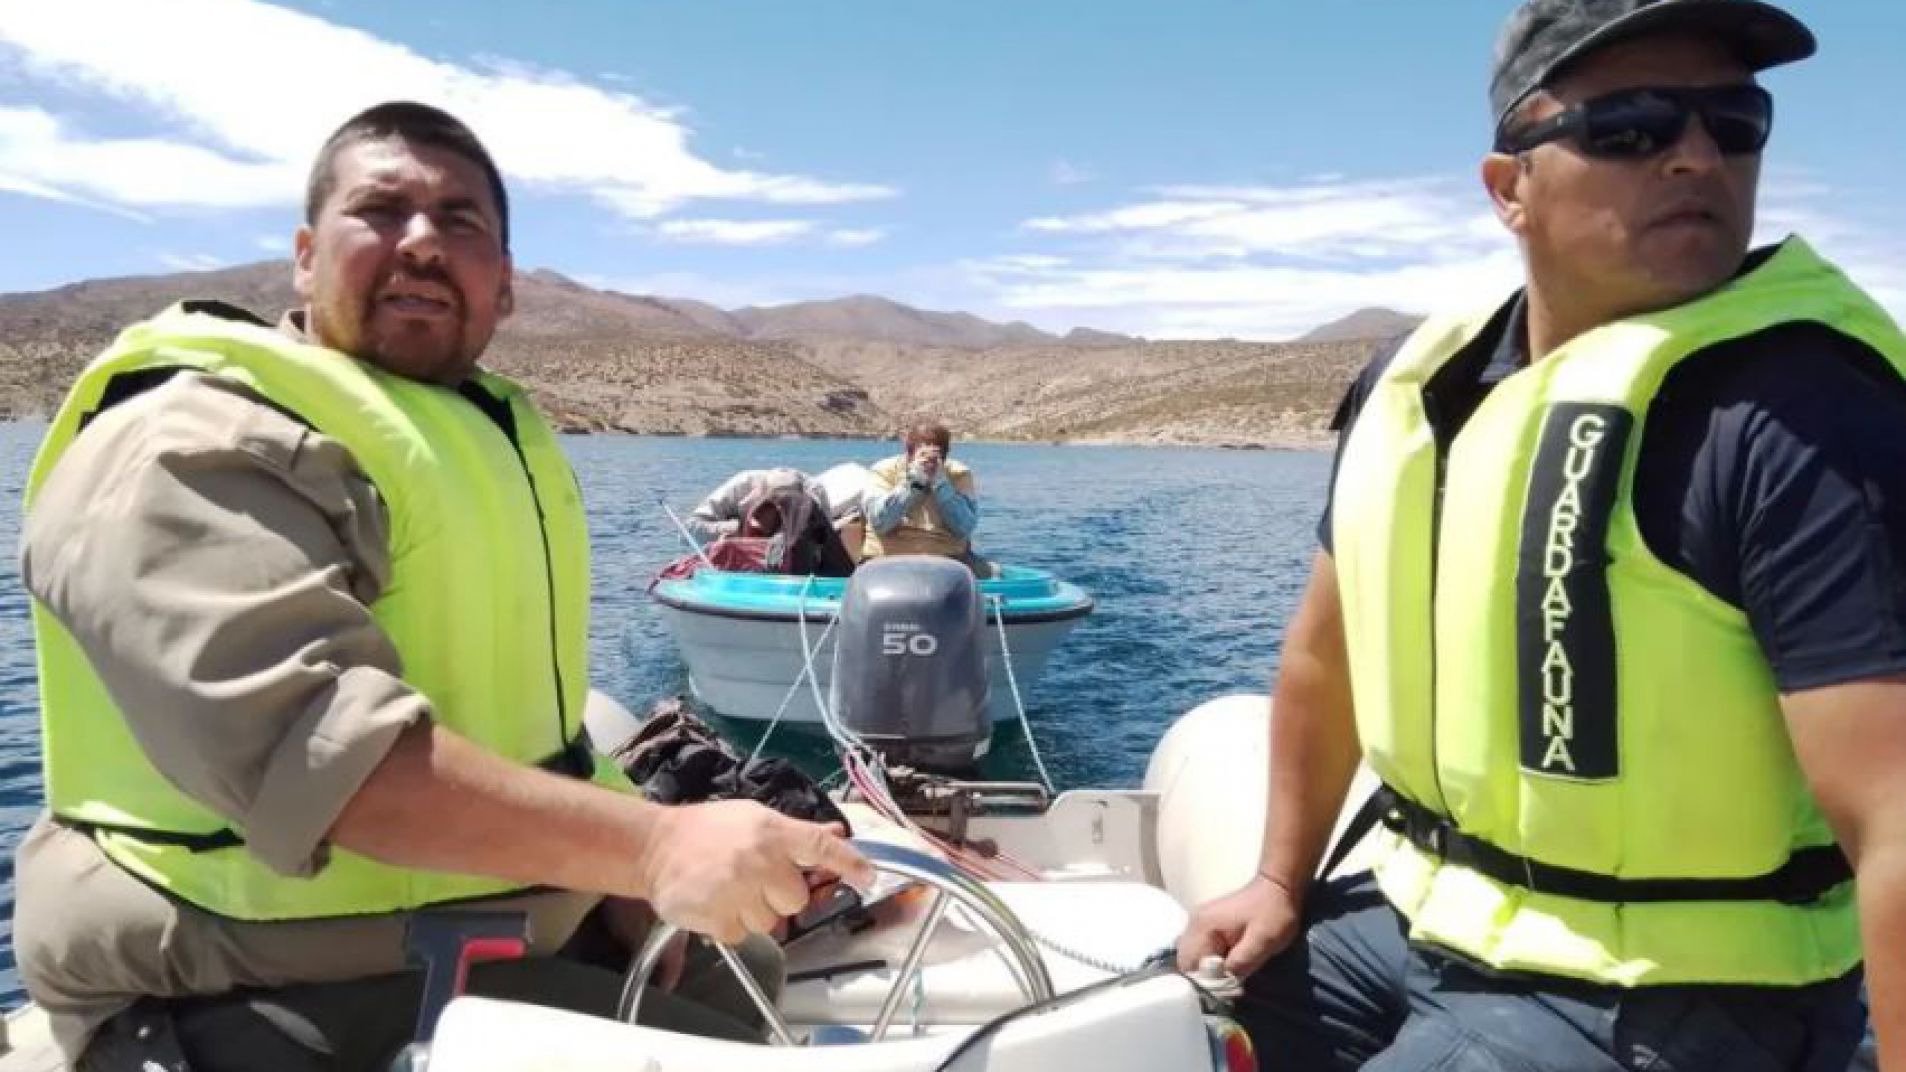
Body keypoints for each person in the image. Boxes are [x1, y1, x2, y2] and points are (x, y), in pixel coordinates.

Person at [13, 101, 871, 1071]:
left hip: (479, 914)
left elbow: (535, 729)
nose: (421, 240)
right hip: (262, 979)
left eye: (459, 222)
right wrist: (650, 848)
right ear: (305, 257)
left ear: (502, 288)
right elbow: (326, 760)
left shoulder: (476, 431)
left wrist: (612, 879)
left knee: (745, 971)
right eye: (380, 211)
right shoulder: (188, 441)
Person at [1176, 3, 1906, 1070]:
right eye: (1632, 127)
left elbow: (1895, 815)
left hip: (1679, 992)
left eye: (1735, 122)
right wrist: (1279, 881)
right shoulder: (1413, 388)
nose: (1697, 157)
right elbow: (1325, 658)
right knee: (1127, 1032)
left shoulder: (1800, 419)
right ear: (1508, 187)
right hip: (1423, 920)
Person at [860, 421, 988, 574]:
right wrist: (914, 484)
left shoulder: (959, 473)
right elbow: (880, 523)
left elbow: (964, 527)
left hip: (948, 560)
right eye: (923, 454)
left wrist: (940, 483)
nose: (929, 461)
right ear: (909, 453)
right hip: (886, 559)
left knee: (995, 574)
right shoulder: (883, 470)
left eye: (936, 455)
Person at [684, 467, 831, 545]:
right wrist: (737, 529)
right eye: (773, 506)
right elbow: (688, 531)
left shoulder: (815, 497)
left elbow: (825, 542)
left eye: (789, 508)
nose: (781, 512)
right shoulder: (740, 487)